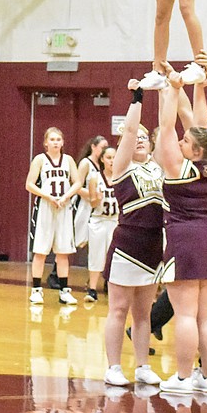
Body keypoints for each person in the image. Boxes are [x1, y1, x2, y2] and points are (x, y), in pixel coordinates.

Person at [154, 73, 207, 394]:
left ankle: (184, 378)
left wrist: (171, 90)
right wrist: (196, 87)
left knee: (185, 314)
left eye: (187, 142)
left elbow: (165, 130)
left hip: (185, 240)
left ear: (196, 150)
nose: (181, 142)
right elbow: (196, 127)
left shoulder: (179, 168)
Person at [102, 82, 164, 388]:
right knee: (118, 308)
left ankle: (142, 365)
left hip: (154, 246)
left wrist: (168, 90)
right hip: (127, 244)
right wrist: (138, 98)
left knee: (144, 313)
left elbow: (166, 129)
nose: (139, 140)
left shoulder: (160, 168)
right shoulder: (122, 168)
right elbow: (128, 132)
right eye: (135, 137)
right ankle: (113, 367)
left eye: (144, 138)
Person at [25, 127, 81, 305]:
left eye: (59, 139)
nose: (56, 142)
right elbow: (29, 184)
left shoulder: (69, 160)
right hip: (45, 207)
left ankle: (64, 291)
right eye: (53, 139)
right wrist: (47, 196)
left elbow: (78, 182)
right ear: (45, 143)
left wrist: (66, 196)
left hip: (64, 207)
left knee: (63, 252)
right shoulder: (40, 160)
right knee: (40, 251)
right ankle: (36, 290)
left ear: (63, 142)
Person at [85, 146, 118, 303]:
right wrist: (97, 198)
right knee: (96, 256)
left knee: (115, 256)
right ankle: (92, 289)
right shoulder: (95, 178)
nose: (112, 161)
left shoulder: (122, 177)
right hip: (99, 220)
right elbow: (92, 203)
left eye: (114, 157)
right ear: (103, 160)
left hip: (116, 221)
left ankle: (111, 286)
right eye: (109, 157)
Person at [74, 135, 109, 280]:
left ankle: (96, 278)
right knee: (78, 241)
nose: (104, 150)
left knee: (97, 244)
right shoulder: (85, 163)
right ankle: (56, 273)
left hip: (99, 208)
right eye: (102, 147)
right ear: (93, 147)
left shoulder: (104, 164)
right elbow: (76, 186)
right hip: (84, 206)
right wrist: (92, 194)